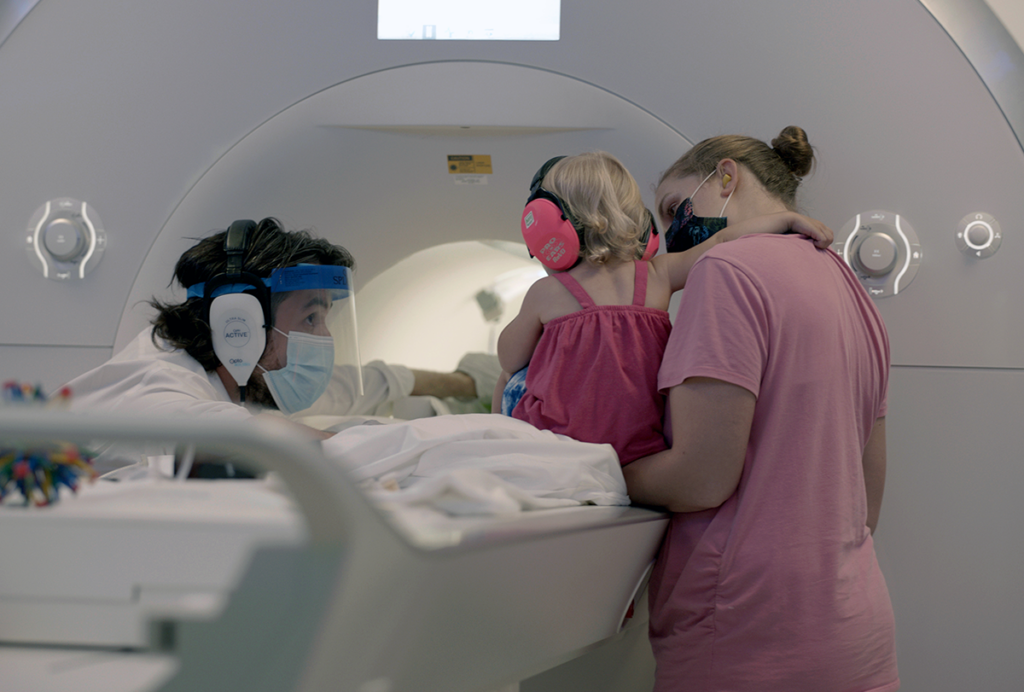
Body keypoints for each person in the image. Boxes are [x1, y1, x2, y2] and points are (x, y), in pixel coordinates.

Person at [622, 127, 899, 691]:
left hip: (750, 634)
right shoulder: (851, 288)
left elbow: (700, 478)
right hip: (854, 632)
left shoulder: (725, 273)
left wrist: (598, 471)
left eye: (677, 208)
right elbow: (866, 501)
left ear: (726, 177)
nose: (675, 233)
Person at [64, 218, 492, 469]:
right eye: (311, 317)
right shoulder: (157, 390)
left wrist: (472, 383)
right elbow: (251, 437)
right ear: (241, 322)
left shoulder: (244, 374)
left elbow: (368, 383)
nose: (323, 337)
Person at [494, 151, 832, 465]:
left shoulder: (547, 292)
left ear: (546, 223)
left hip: (557, 444)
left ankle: (495, 452)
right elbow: (722, 242)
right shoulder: (658, 275)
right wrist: (785, 220)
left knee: (509, 379)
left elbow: (509, 359)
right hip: (641, 449)